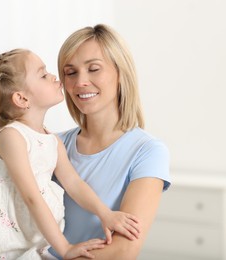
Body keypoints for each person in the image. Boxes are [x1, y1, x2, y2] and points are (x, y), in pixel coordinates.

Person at [0, 48, 141, 259]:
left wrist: (106, 214)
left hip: (33, 249)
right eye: (44, 74)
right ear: (21, 98)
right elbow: (32, 197)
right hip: (4, 252)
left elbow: (74, 183)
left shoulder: (52, 140)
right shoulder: (12, 137)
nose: (55, 77)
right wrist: (65, 248)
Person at [47, 24, 171, 260]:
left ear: (121, 74)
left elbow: (124, 250)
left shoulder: (147, 152)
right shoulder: (52, 144)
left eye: (94, 69)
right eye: (70, 72)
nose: (80, 81)